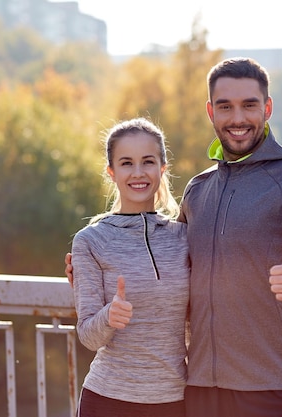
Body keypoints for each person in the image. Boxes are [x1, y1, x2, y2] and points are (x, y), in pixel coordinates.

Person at [67, 57, 282, 417]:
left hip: (269, 388)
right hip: (198, 389)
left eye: (249, 105)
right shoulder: (198, 190)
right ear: (210, 112)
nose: (237, 118)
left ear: (267, 108)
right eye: (225, 106)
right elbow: (172, 266)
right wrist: (91, 273)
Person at [70, 117, 190, 417]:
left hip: (175, 400)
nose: (138, 173)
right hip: (108, 400)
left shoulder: (185, 237)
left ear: (163, 169)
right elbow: (88, 336)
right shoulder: (91, 241)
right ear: (111, 172)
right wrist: (109, 316)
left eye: (148, 162)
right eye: (126, 163)